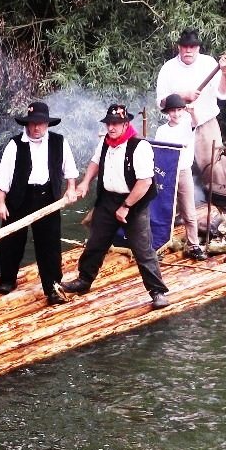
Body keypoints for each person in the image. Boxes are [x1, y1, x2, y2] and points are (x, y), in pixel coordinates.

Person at [61, 104, 171, 309]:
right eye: (109, 124)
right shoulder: (105, 142)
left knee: (142, 249)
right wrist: (85, 183)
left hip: (134, 202)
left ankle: (157, 291)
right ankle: (84, 280)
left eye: (116, 124)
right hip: (107, 200)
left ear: (126, 124)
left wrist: (126, 206)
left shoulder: (139, 146)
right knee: (95, 242)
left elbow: (145, 182)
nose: (111, 128)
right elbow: (95, 163)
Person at [0, 101, 79, 305]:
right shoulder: (15, 144)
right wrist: (0, 202)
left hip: (48, 197)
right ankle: (7, 280)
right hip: (19, 197)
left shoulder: (59, 142)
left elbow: (70, 171)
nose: (36, 127)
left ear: (47, 124)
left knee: (49, 245)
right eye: (32, 123)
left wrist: (71, 189)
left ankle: (53, 288)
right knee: (11, 241)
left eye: (40, 123)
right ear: (27, 124)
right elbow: (2, 177)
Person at [156, 28, 226, 198]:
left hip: (206, 124)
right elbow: (161, 102)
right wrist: (182, 96)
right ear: (179, 48)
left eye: (192, 46)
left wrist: (225, 71)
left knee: (214, 168)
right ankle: (175, 212)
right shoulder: (168, 69)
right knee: (173, 169)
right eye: (185, 47)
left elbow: (223, 93)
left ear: (198, 48)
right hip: (177, 125)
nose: (188, 50)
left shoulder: (208, 64)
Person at [154, 93, 206, 260]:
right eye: (172, 111)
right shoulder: (161, 130)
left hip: (184, 171)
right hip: (166, 173)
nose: (176, 114)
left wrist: (191, 111)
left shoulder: (187, 124)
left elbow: (197, 123)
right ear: (167, 112)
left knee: (189, 211)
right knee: (164, 210)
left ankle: (194, 244)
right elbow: (158, 153)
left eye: (178, 110)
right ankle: (159, 246)